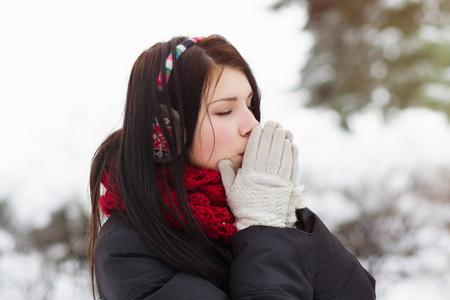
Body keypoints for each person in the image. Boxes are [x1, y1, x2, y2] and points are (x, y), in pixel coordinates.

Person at [86, 35, 376, 299]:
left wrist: (285, 220)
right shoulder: (127, 251)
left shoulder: (255, 199)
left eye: (250, 105)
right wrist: (264, 229)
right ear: (168, 130)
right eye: (225, 110)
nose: (252, 125)